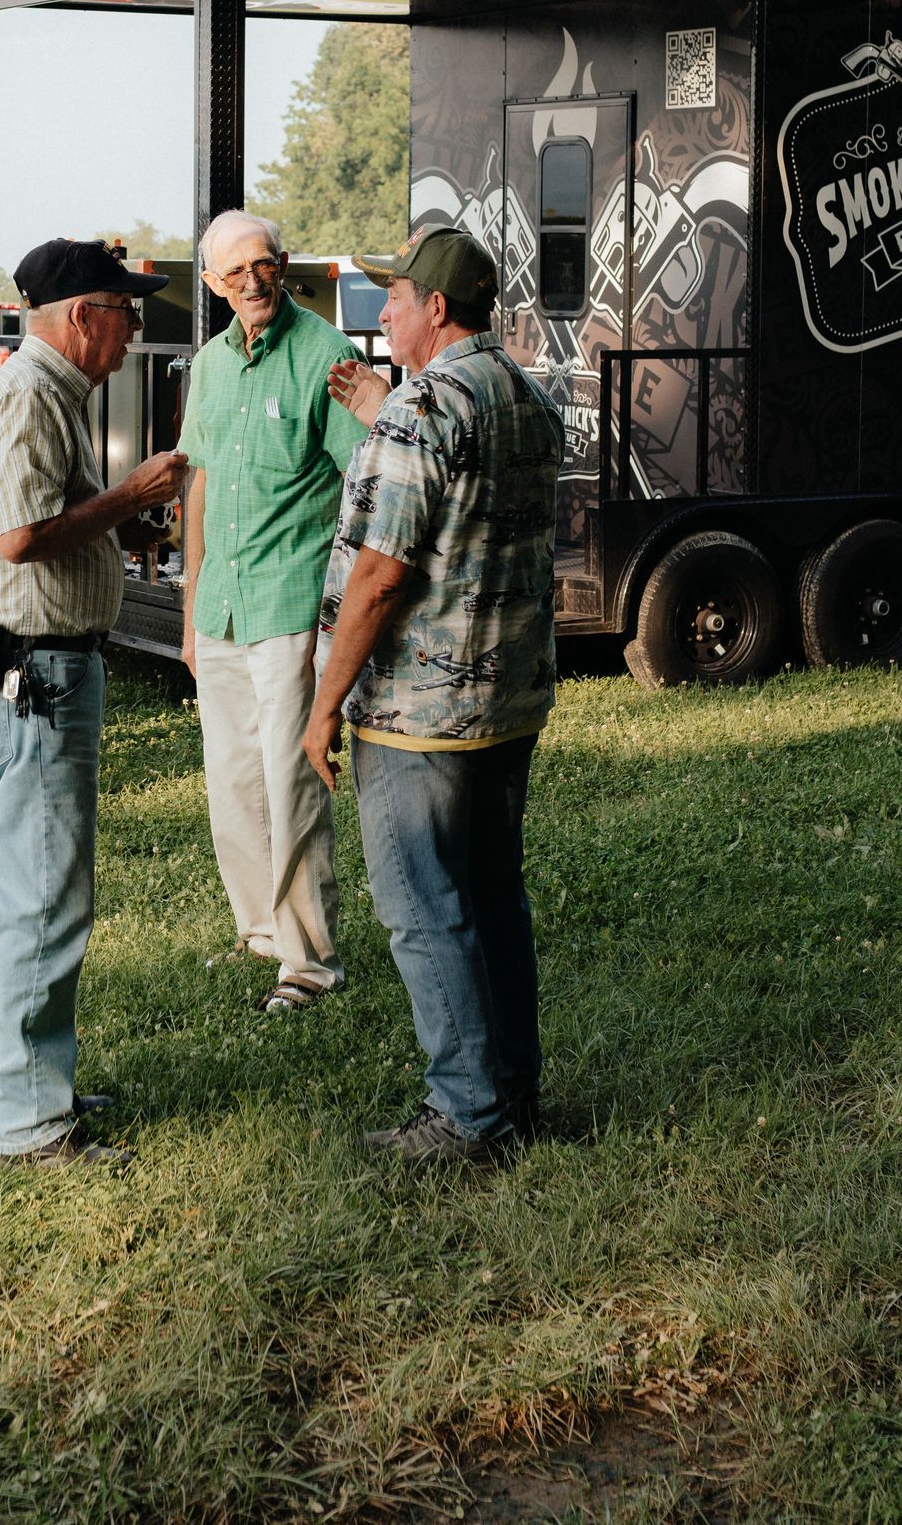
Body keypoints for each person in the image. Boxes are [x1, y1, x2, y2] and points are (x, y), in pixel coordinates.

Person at [306, 228, 563, 1166]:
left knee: (423, 908)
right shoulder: (532, 398)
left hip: (419, 711)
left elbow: (381, 575)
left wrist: (324, 702)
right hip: (509, 699)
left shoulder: (421, 410)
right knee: (495, 897)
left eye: (397, 298)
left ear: (437, 309)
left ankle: (468, 1118)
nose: (385, 314)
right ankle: (513, 1095)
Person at [0, 239, 188, 1168]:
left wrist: (123, 510)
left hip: (31, 673)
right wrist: (130, 495)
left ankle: (37, 1087)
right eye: (127, 312)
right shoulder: (32, 396)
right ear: (83, 316)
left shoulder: (41, 392)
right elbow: (17, 539)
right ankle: (31, 1124)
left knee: (39, 891)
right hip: (34, 676)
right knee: (41, 899)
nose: (136, 331)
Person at [179, 211, 369, 1013]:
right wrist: (190, 610)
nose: (254, 282)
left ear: (283, 264)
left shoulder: (326, 354)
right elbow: (200, 483)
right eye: (235, 273)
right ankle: (260, 932)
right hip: (221, 605)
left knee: (291, 780)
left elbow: (369, 484)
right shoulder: (210, 366)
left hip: (291, 599)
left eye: (264, 265)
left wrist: (347, 614)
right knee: (231, 779)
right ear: (212, 285)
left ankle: (309, 962)